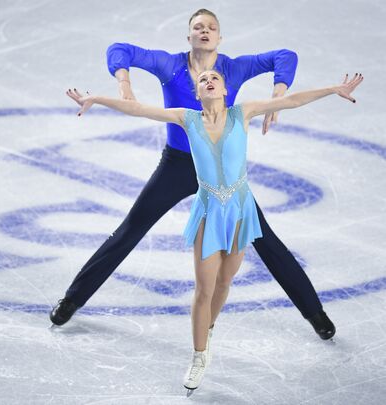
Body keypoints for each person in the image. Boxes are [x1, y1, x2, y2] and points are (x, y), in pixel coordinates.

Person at [66, 71, 363, 393]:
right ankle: (199, 356)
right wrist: (95, 98)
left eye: (215, 78)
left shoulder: (242, 112)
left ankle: (208, 328)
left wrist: (333, 88)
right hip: (209, 210)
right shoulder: (187, 118)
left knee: (224, 282)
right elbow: (139, 109)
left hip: (240, 211)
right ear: (197, 93)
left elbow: (290, 100)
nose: (209, 80)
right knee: (204, 289)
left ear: (224, 89)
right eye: (203, 79)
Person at [51, 8, 336, 341]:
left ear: (219, 37)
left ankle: (315, 313)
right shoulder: (171, 65)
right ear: (189, 37)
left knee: (266, 240)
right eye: (198, 27)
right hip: (176, 166)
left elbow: (284, 55)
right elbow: (120, 49)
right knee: (130, 229)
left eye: (211, 27)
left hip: (220, 178)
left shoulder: (231, 68)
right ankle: (73, 299)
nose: (205, 31)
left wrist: (278, 93)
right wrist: (124, 84)